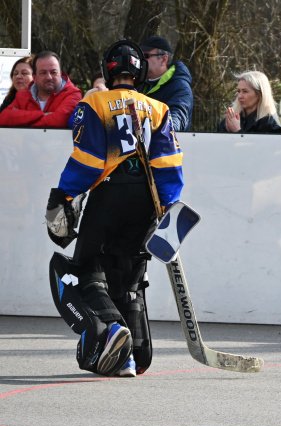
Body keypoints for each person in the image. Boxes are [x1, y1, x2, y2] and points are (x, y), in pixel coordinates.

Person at [45, 39, 183, 377]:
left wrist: (63, 195)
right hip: (148, 202)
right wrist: (168, 206)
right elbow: (169, 164)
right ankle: (131, 358)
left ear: (108, 68)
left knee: (86, 267)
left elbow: (88, 160)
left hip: (109, 195)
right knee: (129, 276)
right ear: (139, 71)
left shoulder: (94, 103)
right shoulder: (157, 108)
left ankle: (110, 327)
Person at [0, 51, 81, 128]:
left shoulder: (73, 94)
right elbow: (3, 118)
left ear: (60, 74)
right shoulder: (22, 95)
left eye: (53, 72)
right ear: (34, 77)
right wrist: (42, 114)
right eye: (43, 73)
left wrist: (23, 123)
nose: (49, 77)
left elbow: (59, 121)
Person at [139, 36, 194, 132]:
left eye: (146, 56)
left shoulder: (181, 88)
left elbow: (175, 124)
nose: (141, 60)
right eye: (140, 56)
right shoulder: (139, 83)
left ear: (164, 60)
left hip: (166, 146)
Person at [217, 71, 281, 133]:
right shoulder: (233, 118)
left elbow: (256, 144)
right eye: (239, 91)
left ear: (259, 94)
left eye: (245, 91)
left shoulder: (270, 125)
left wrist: (238, 131)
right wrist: (226, 130)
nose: (239, 96)